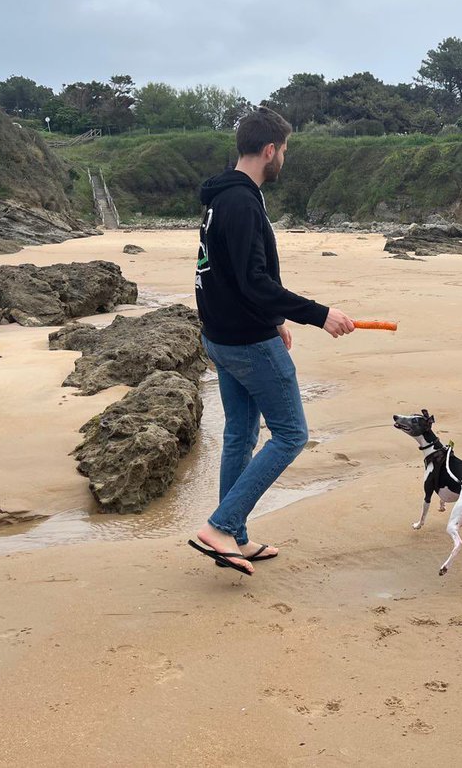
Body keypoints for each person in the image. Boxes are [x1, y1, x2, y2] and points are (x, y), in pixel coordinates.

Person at [189, 106, 354, 575]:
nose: (285, 157)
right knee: (291, 434)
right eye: (284, 150)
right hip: (245, 342)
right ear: (269, 150)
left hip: (222, 335)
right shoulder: (241, 202)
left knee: (241, 434)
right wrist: (319, 315)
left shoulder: (224, 195)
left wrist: (275, 316)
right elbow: (254, 280)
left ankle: (232, 537)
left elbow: (223, 273)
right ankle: (220, 526)